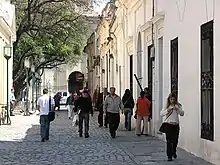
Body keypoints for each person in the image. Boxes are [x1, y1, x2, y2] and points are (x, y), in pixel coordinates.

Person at [160, 93, 184, 161]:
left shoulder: (178, 106)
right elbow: (161, 113)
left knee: (175, 140)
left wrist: (177, 109)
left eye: (173, 99)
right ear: (169, 99)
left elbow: (182, 113)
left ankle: (174, 151)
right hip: (168, 125)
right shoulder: (167, 106)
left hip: (175, 125)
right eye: (171, 99)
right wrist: (168, 110)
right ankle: (169, 156)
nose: (172, 100)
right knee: (169, 141)